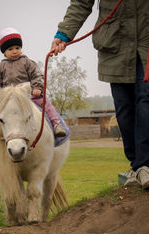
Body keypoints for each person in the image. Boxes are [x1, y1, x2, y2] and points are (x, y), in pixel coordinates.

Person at [50, 0, 149, 188]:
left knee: (146, 101)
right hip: (115, 45)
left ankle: (145, 165)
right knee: (124, 108)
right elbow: (81, 3)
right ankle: (137, 165)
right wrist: (64, 33)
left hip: (146, 42)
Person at [0, 27, 66, 156]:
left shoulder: (27, 62)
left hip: (28, 95)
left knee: (46, 103)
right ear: (4, 52)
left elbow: (37, 75)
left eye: (17, 48)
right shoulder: (1, 67)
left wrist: (37, 88)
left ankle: (55, 123)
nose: (14, 51)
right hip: (8, 99)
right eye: (10, 49)